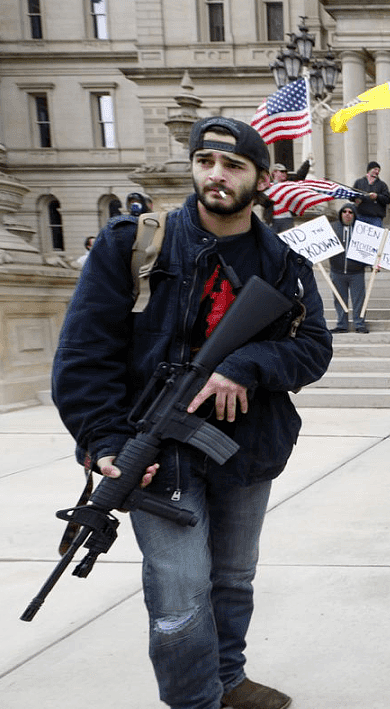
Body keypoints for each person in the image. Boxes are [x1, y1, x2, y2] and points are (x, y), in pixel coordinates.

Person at [51, 115, 333, 709]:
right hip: (155, 456)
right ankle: (195, 701)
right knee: (179, 599)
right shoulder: (135, 242)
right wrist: (103, 441)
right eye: (206, 162)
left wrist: (246, 365)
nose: (217, 175)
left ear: (261, 178)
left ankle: (228, 681)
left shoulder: (282, 261)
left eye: (233, 166)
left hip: (247, 449)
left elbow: (313, 349)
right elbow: (83, 354)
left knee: (233, 580)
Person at [329, 202, 370, 334]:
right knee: (339, 299)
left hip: (356, 272)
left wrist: (373, 263)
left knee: (359, 300)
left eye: (350, 212)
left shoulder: (362, 231)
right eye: (344, 212)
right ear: (340, 214)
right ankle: (342, 324)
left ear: (354, 215)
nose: (347, 214)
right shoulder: (333, 228)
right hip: (337, 271)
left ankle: (359, 323)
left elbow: (370, 249)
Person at [262, 159, 310, 232]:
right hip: (272, 221)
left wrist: (307, 163)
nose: (284, 173)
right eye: (282, 171)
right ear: (274, 172)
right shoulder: (267, 186)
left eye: (285, 172)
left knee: (287, 243)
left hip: (287, 219)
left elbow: (299, 176)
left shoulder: (288, 183)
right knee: (272, 242)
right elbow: (260, 200)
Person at [353, 160, 390, 227]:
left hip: (376, 218)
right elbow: (351, 195)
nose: (377, 172)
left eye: (378, 170)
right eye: (375, 169)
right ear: (369, 170)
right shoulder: (359, 182)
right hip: (360, 216)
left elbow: (388, 199)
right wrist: (355, 199)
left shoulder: (382, 185)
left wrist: (377, 197)